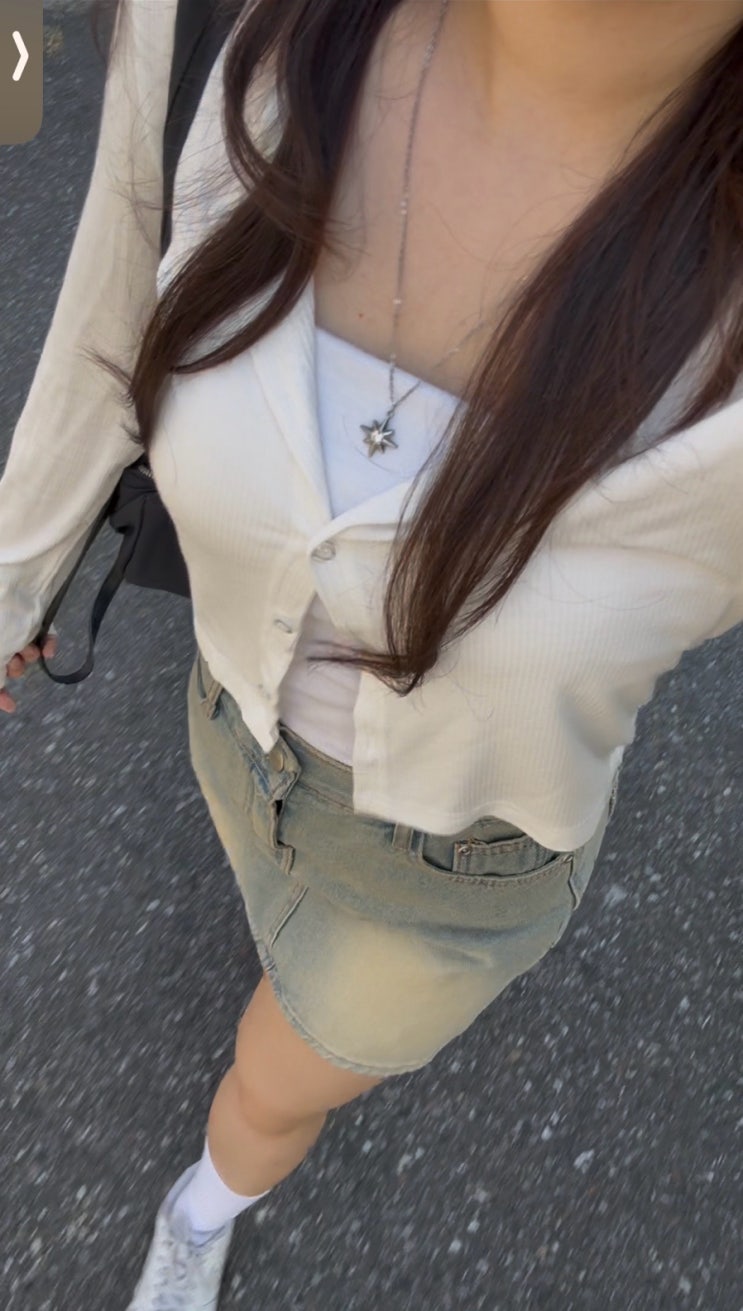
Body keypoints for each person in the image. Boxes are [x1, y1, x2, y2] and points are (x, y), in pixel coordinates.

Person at [2, 0, 743, 1307]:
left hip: (448, 880)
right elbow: (104, 340)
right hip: (227, 723)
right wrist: (12, 589)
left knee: (272, 1089)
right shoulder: (217, 28)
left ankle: (202, 1205)